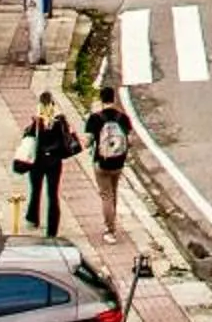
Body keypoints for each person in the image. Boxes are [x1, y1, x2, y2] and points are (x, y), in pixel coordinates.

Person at [20, 91, 78, 237]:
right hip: (54, 161)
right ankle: (52, 229)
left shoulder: (37, 121)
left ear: (40, 104)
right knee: (53, 194)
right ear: (52, 103)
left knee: (35, 190)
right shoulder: (60, 120)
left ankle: (33, 218)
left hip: (37, 161)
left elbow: (28, 137)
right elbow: (67, 138)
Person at [84, 87, 134, 243]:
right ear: (114, 99)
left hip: (102, 162)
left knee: (106, 195)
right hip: (118, 163)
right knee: (113, 192)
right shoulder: (123, 118)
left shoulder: (95, 118)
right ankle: (113, 222)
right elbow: (130, 141)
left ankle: (110, 230)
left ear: (101, 99)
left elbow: (87, 142)